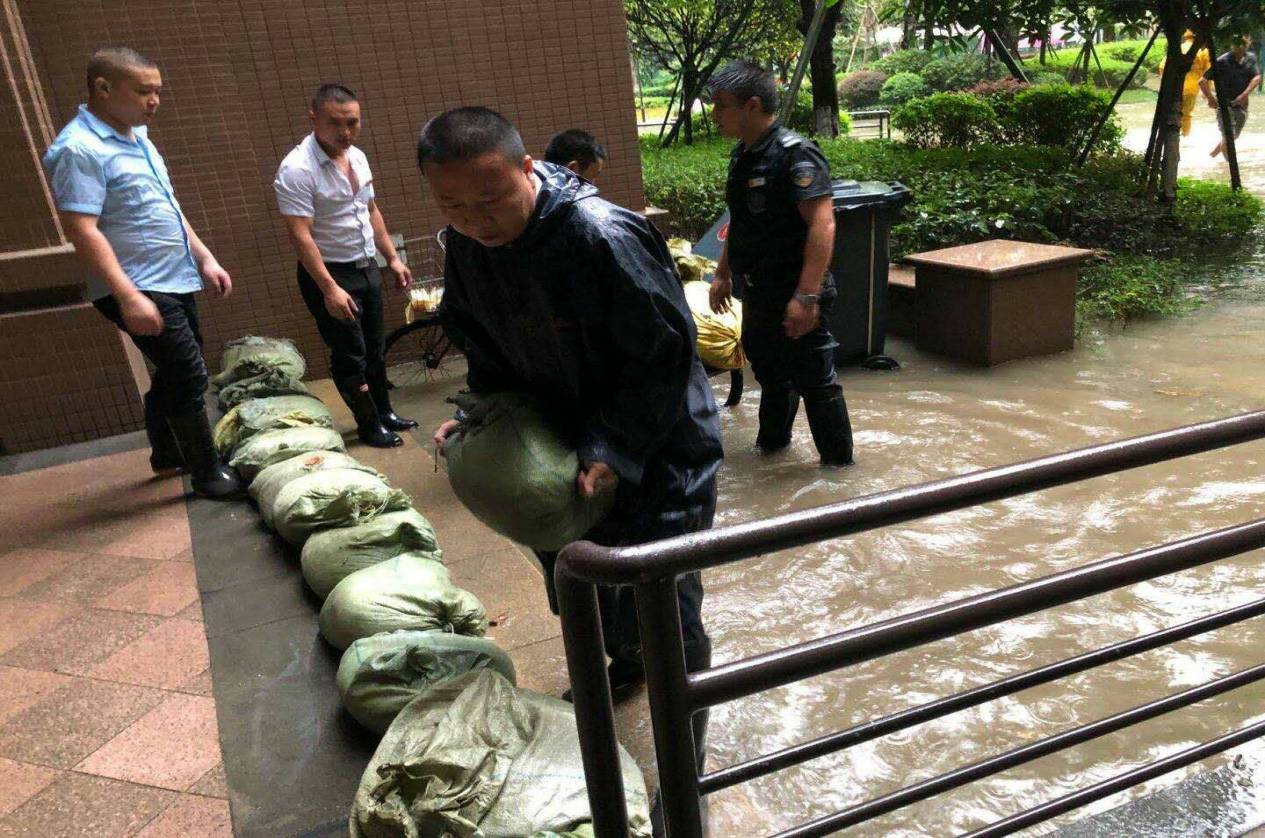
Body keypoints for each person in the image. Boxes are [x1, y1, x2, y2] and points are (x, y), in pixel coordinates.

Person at [420, 107, 722, 721]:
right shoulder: (469, 246)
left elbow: (664, 355)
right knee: (579, 580)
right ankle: (626, 664)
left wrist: (613, 447)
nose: (476, 221)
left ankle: (684, 742)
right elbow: (482, 346)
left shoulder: (601, 236)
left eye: (491, 200)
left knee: (663, 600)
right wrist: (483, 414)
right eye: (453, 206)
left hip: (658, 445)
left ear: (527, 168)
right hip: (556, 443)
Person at [43, 47, 240, 498]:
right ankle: (207, 473)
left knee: (178, 368)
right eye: (143, 91)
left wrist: (205, 257)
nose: (154, 101)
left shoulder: (138, 139)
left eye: (158, 91)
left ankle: (168, 453)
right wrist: (129, 296)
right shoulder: (79, 149)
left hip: (172, 274)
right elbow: (81, 228)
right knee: (188, 373)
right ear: (103, 88)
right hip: (136, 283)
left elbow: (166, 207)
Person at [706, 60, 853, 466]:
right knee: (771, 375)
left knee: (816, 382)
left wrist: (806, 296)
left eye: (721, 105)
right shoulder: (743, 155)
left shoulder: (795, 154)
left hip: (795, 291)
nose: (714, 114)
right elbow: (740, 220)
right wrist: (722, 274)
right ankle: (772, 452)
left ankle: (841, 474)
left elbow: (822, 223)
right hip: (758, 292)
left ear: (752, 106)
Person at [274, 84, 416, 448]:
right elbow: (300, 235)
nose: (345, 132)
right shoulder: (297, 169)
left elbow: (371, 210)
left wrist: (392, 258)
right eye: (335, 123)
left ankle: (384, 412)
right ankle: (369, 424)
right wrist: (329, 288)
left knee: (375, 348)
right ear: (313, 118)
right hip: (330, 274)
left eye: (352, 122)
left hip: (365, 266)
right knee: (350, 354)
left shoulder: (358, 157)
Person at [1201, 35, 1261, 159]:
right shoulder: (1222, 61)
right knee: (1228, 137)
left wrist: (1244, 94)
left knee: (1233, 136)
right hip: (1225, 106)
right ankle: (1231, 166)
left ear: (1248, 44)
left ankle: (1211, 157)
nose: (1240, 47)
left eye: (1243, 44)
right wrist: (1210, 98)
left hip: (1242, 106)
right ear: (1231, 45)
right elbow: (1202, 81)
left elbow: (1257, 77)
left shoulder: (1251, 58)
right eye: (1237, 44)